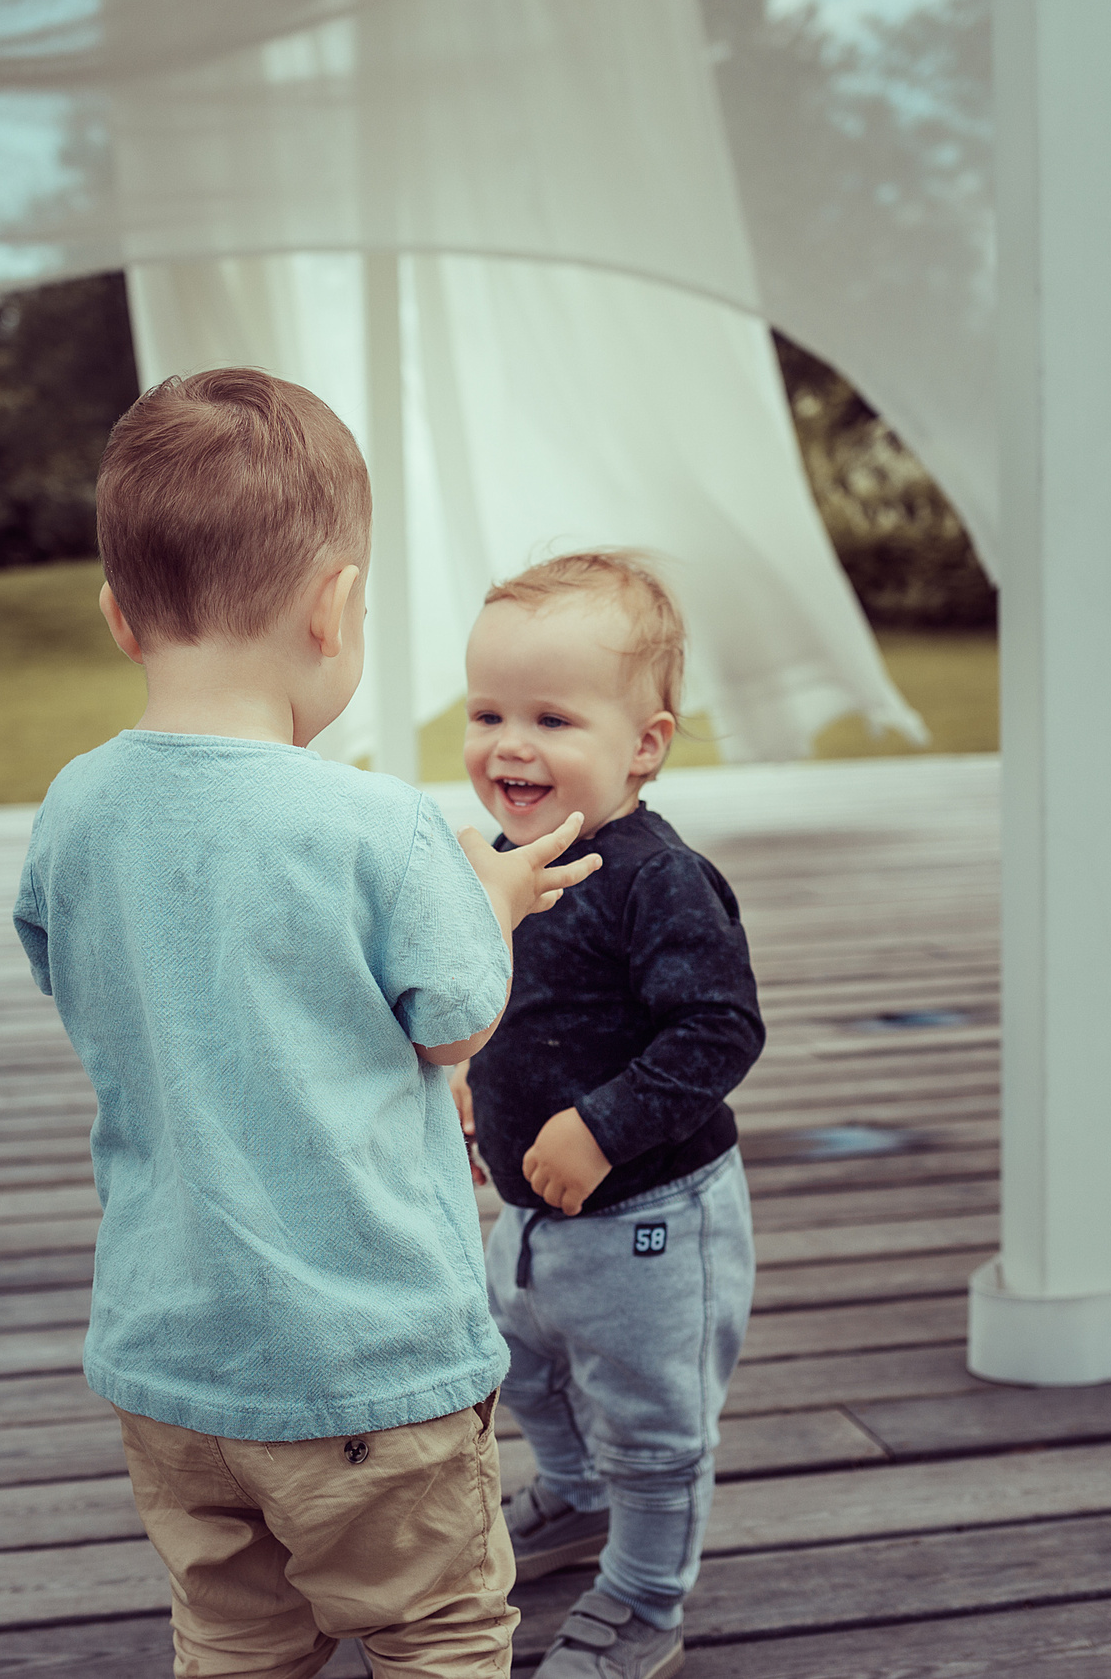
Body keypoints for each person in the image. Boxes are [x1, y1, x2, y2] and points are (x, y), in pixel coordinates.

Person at [13, 367, 601, 1678]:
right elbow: (452, 1018)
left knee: (231, 1630)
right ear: (336, 609)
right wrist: (488, 893)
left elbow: (72, 964)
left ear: (120, 616)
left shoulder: (76, 807)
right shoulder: (373, 822)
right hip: (366, 1363)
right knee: (439, 1627)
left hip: (172, 1361)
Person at [452, 553, 766, 1679]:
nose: (509, 744)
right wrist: (462, 1079)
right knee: (527, 1371)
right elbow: (501, 998)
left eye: (551, 716)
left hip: (651, 1220)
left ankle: (642, 1596)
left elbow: (719, 1030)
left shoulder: (656, 881)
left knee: (650, 1420)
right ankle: (577, 1502)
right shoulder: (501, 860)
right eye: (487, 712)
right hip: (535, 1216)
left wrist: (602, 1124)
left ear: (644, 743)